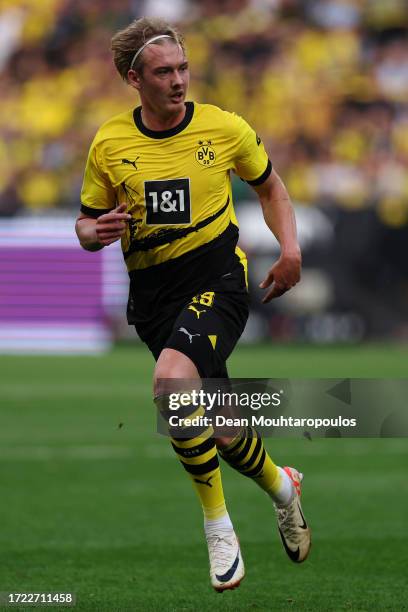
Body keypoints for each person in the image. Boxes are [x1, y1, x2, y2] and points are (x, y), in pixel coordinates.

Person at [75, 16, 311, 592]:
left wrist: (290, 249)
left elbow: (270, 187)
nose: (178, 80)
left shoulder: (224, 128)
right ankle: (283, 487)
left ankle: (217, 527)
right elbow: (85, 224)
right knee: (216, 425)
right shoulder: (110, 142)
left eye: (183, 67)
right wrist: (94, 230)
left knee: (168, 386)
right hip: (154, 296)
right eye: (164, 72)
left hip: (219, 279)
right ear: (135, 79)